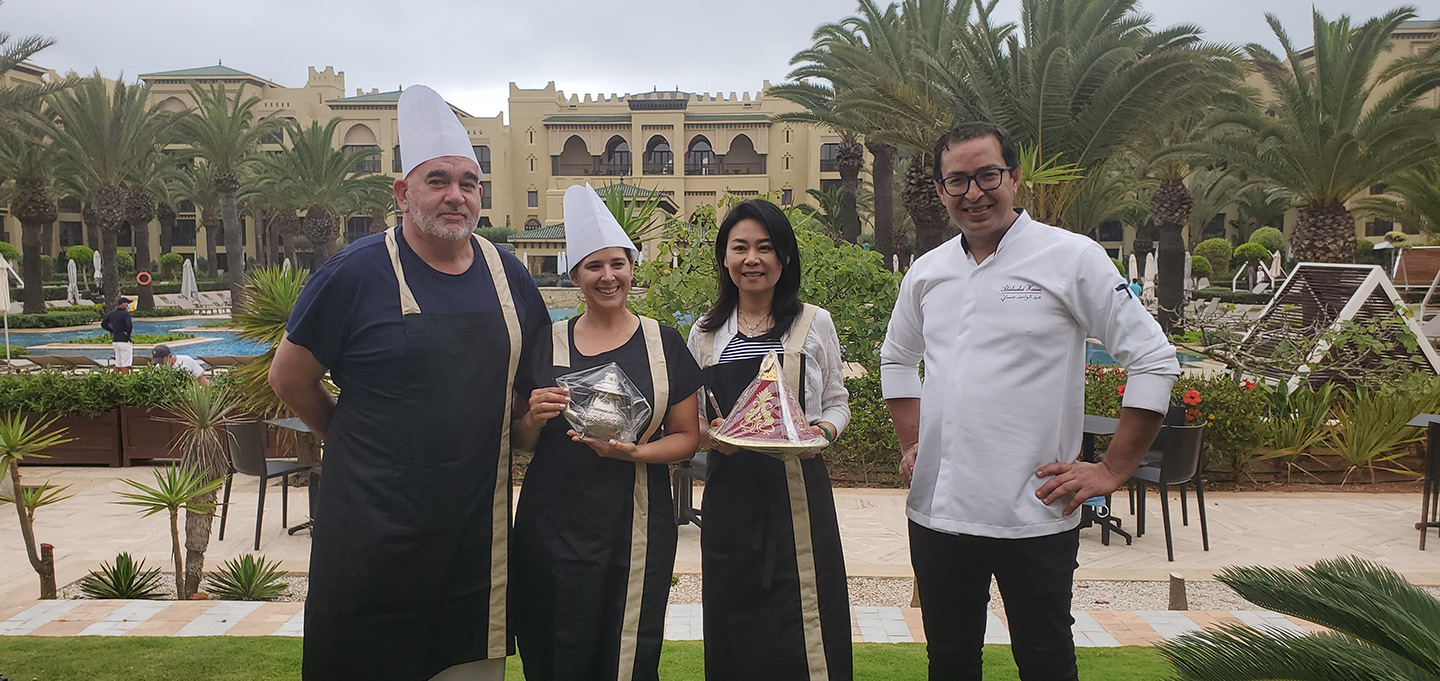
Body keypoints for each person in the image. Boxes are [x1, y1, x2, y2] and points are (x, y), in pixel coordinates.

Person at [880, 123, 1179, 681]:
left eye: (987, 175)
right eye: (957, 181)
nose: (973, 193)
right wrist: (913, 443)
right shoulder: (928, 271)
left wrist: (1113, 469)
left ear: (1015, 177)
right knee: (949, 661)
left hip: (1036, 512)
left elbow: (1154, 359)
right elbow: (896, 359)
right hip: (939, 513)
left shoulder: (1071, 257)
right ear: (941, 191)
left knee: (1045, 662)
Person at [269, 85, 548, 681]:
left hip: (474, 535)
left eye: (468, 182)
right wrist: (346, 436)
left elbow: (529, 394)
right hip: (372, 530)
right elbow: (289, 377)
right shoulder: (353, 273)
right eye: (437, 180)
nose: (455, 195)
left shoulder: (511, 277)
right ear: (402, 193)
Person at [510, 184, 702, 681]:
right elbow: (520, 444)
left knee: (628, 648)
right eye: (593, 266)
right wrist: (532, 417)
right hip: (551, 528)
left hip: (635, 524)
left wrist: (634, 454)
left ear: (633, 267)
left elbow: (687, 436)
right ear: (575, 275)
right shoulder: (545, 343)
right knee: (553, 648)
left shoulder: (664, 343)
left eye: (617, 263)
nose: (607, 276)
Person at [686, 199, 853, 681]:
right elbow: (694, 418)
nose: (752, 259)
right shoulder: (705, 333)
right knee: (733, 618)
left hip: (799, 496)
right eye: (740, 247)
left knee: (806, 617)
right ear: (724, 257)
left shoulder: (813, 323)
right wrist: (710, 435)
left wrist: (822, 432)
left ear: (784, 257)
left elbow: (837, 402)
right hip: (729, 499)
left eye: (765, 247)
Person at [101, 297, 133, 372]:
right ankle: (125, 378)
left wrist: (112, 331)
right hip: (124, 341)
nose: (128, 305)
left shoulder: (112, 314)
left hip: (115, 340)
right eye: (127, 303)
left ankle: (115, 378)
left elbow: (103, 324)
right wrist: (128, 333)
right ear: (123, 304)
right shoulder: (126, 314)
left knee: (118, 364)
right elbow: (129, 325)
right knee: (126, 364)